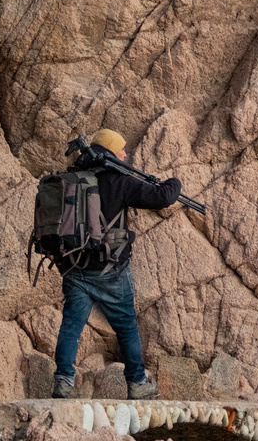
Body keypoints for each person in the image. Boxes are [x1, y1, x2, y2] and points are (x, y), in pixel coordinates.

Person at [52, 129, 181, 399]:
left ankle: (63, 381)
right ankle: (137, 383)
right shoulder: (120, 181)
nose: (125, 154)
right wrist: (174, 181)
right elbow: (163, 198)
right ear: (111, 150)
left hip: (74, 267)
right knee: (126, 325)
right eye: (122, 150)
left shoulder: (73, 177)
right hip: (110, 270)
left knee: (71, 325)